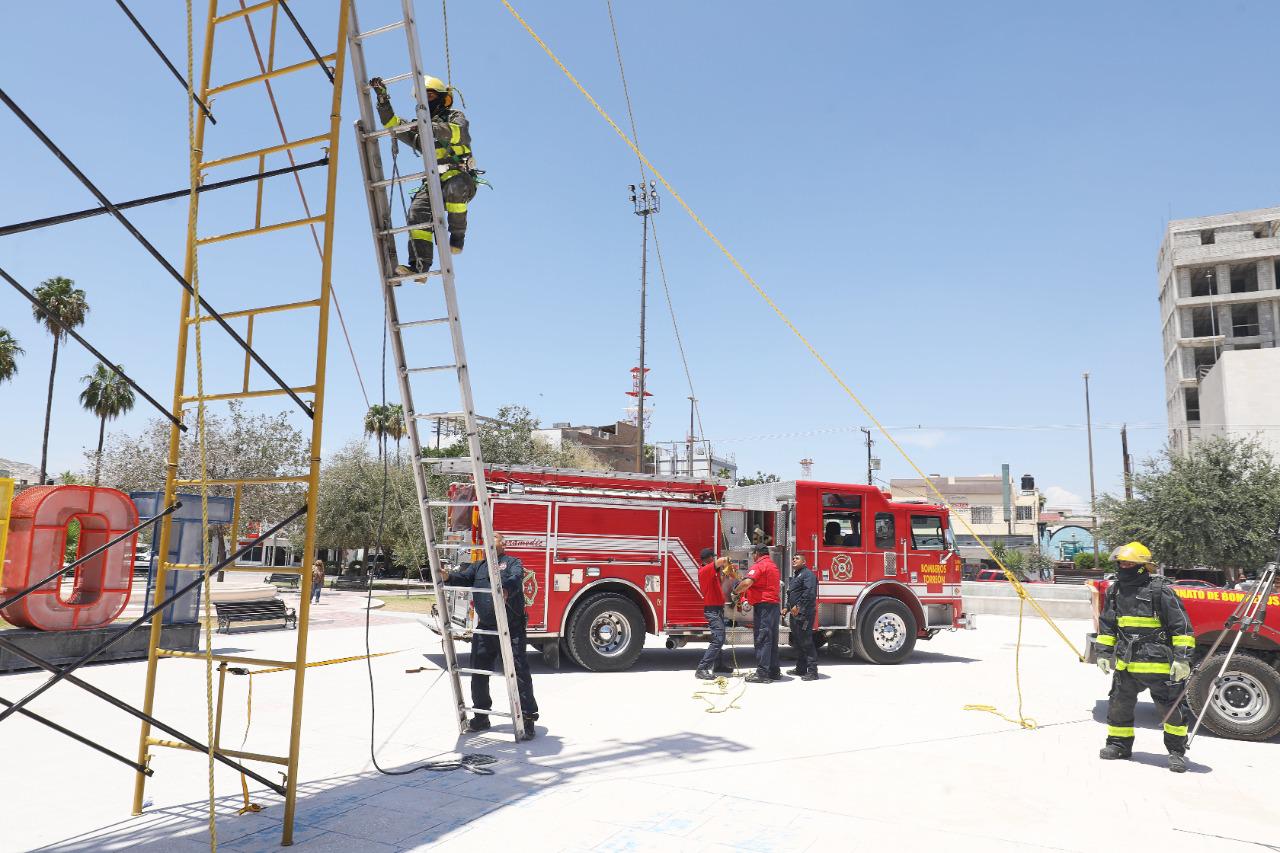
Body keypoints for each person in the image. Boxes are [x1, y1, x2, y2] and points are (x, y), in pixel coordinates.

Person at [1094, 541, 1194, 773]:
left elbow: (1182, 627)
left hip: (1159, 663)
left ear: (1142, 566)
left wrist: (1182, 659)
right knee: (1119, 705)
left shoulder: (1161, 590)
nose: (1124, 566)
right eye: (1121, 563)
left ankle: (1176, 753)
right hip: (1127, 663)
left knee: (1172, 711)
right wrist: (1103, 653)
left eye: (1129, 563)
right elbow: (1107, 625)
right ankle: (1118, 745)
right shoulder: (1115, 591)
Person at [369, 74, 477, 279]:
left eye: (431, 95)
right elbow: (392, 123)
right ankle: (419, 267)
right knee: (417, 213)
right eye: (422, 96)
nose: (427, 100)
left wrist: (429, 127)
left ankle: (457, 236)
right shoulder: (418, 130)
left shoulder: (455, 116)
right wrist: (383, 99)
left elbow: (458, 132)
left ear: (443, 97)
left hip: (460, 178)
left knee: (455, 188)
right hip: (433, 182)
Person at [440, 533, 538, 738]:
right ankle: (481, 716)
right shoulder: (478, 566)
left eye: (494, 539)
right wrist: (447, 576)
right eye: (487, 540)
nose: (489, 543)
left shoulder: (513, 563)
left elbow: (516, 578)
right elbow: (463, 578)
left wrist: (506, 589)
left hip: (511, 629)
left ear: (504, 544)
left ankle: (527, 718)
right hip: (485, 628)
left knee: (518, 671)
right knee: (479, 672)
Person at [735, 545, 781, 683]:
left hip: (764, 607)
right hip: (773, 606)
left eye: (753, 554)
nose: (752, 557)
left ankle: (762, 674)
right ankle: (774, 671)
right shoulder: (773, 566)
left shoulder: (760, 565)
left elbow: (747, 583)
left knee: (763, 639)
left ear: (757, 553)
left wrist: (735, 592)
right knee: (772, 640)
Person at [694, 548, 736, 680]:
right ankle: (702, 668)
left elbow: (720, 583)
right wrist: (727, 561)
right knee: (719, 638)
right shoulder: (705, 570)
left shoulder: (712, 573)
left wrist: (727, 573)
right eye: (713, 557)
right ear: (710, 559)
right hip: (712, 610)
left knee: (717, 637)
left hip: (717, 609)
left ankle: (718, 665)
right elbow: (723, 560)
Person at [786, 553, 818, 680]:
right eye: (793, 558)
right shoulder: (796, 575)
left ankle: (813, 671)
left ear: (804, 562)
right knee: (798, 642)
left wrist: (798, 606)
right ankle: (800, 668)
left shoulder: (808, 575)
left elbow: (809, 593)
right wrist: (787, 607)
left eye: (797, 559)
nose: (794, 560)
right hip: (795, 614)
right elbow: (792, 593)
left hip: (805, 614)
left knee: (806, 642)